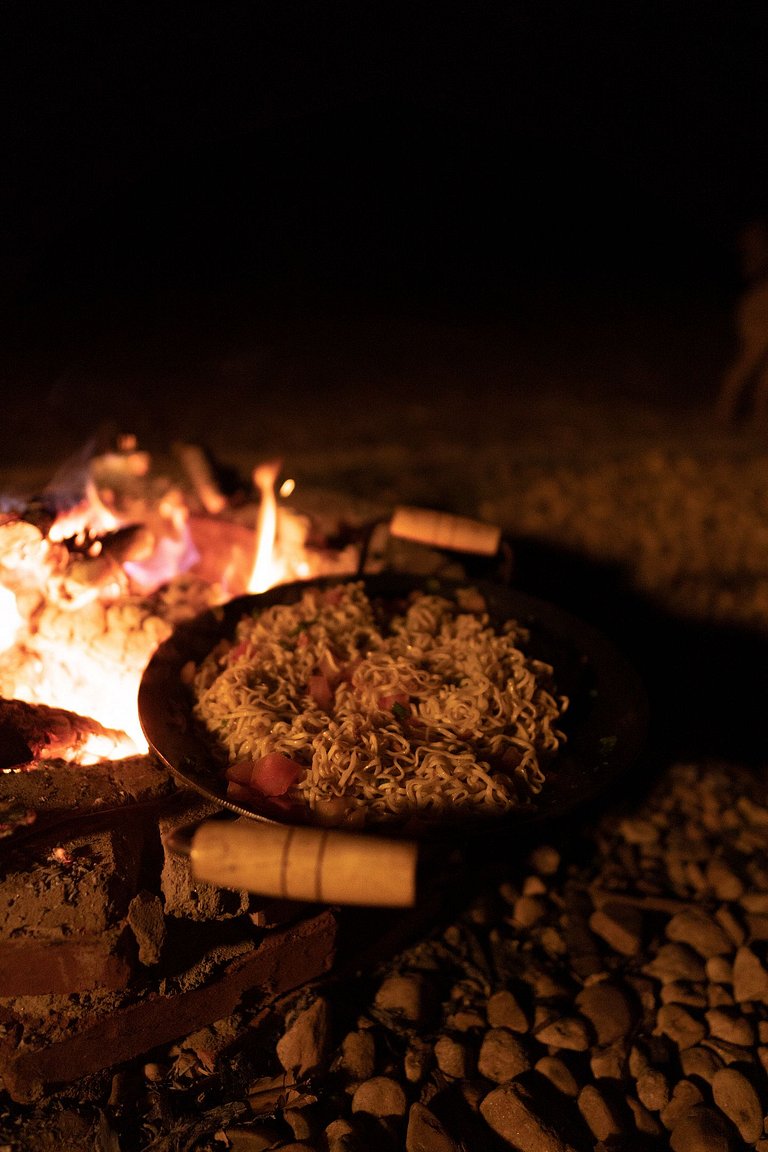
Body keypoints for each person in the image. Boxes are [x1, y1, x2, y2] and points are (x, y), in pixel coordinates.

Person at [716, 219, 768, 425]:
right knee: (750, 360)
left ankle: (760, 417)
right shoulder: (756, 259)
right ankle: (723, 412)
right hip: (759, 309)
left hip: (760, 306)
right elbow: (752, 277)